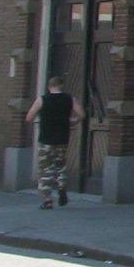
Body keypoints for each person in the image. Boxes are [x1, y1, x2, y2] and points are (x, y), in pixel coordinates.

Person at [23, 75, 84, 209]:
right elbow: (81, 114)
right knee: (60, 165)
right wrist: (73, 121)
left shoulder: (42, 99)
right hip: (62, 138)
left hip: (46, 139)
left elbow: (29, 117)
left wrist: (38, 120)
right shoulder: (69, 99)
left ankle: (47, 200)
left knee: (45, 169)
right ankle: (61, 186)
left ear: (49, 87)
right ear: (61, 85)